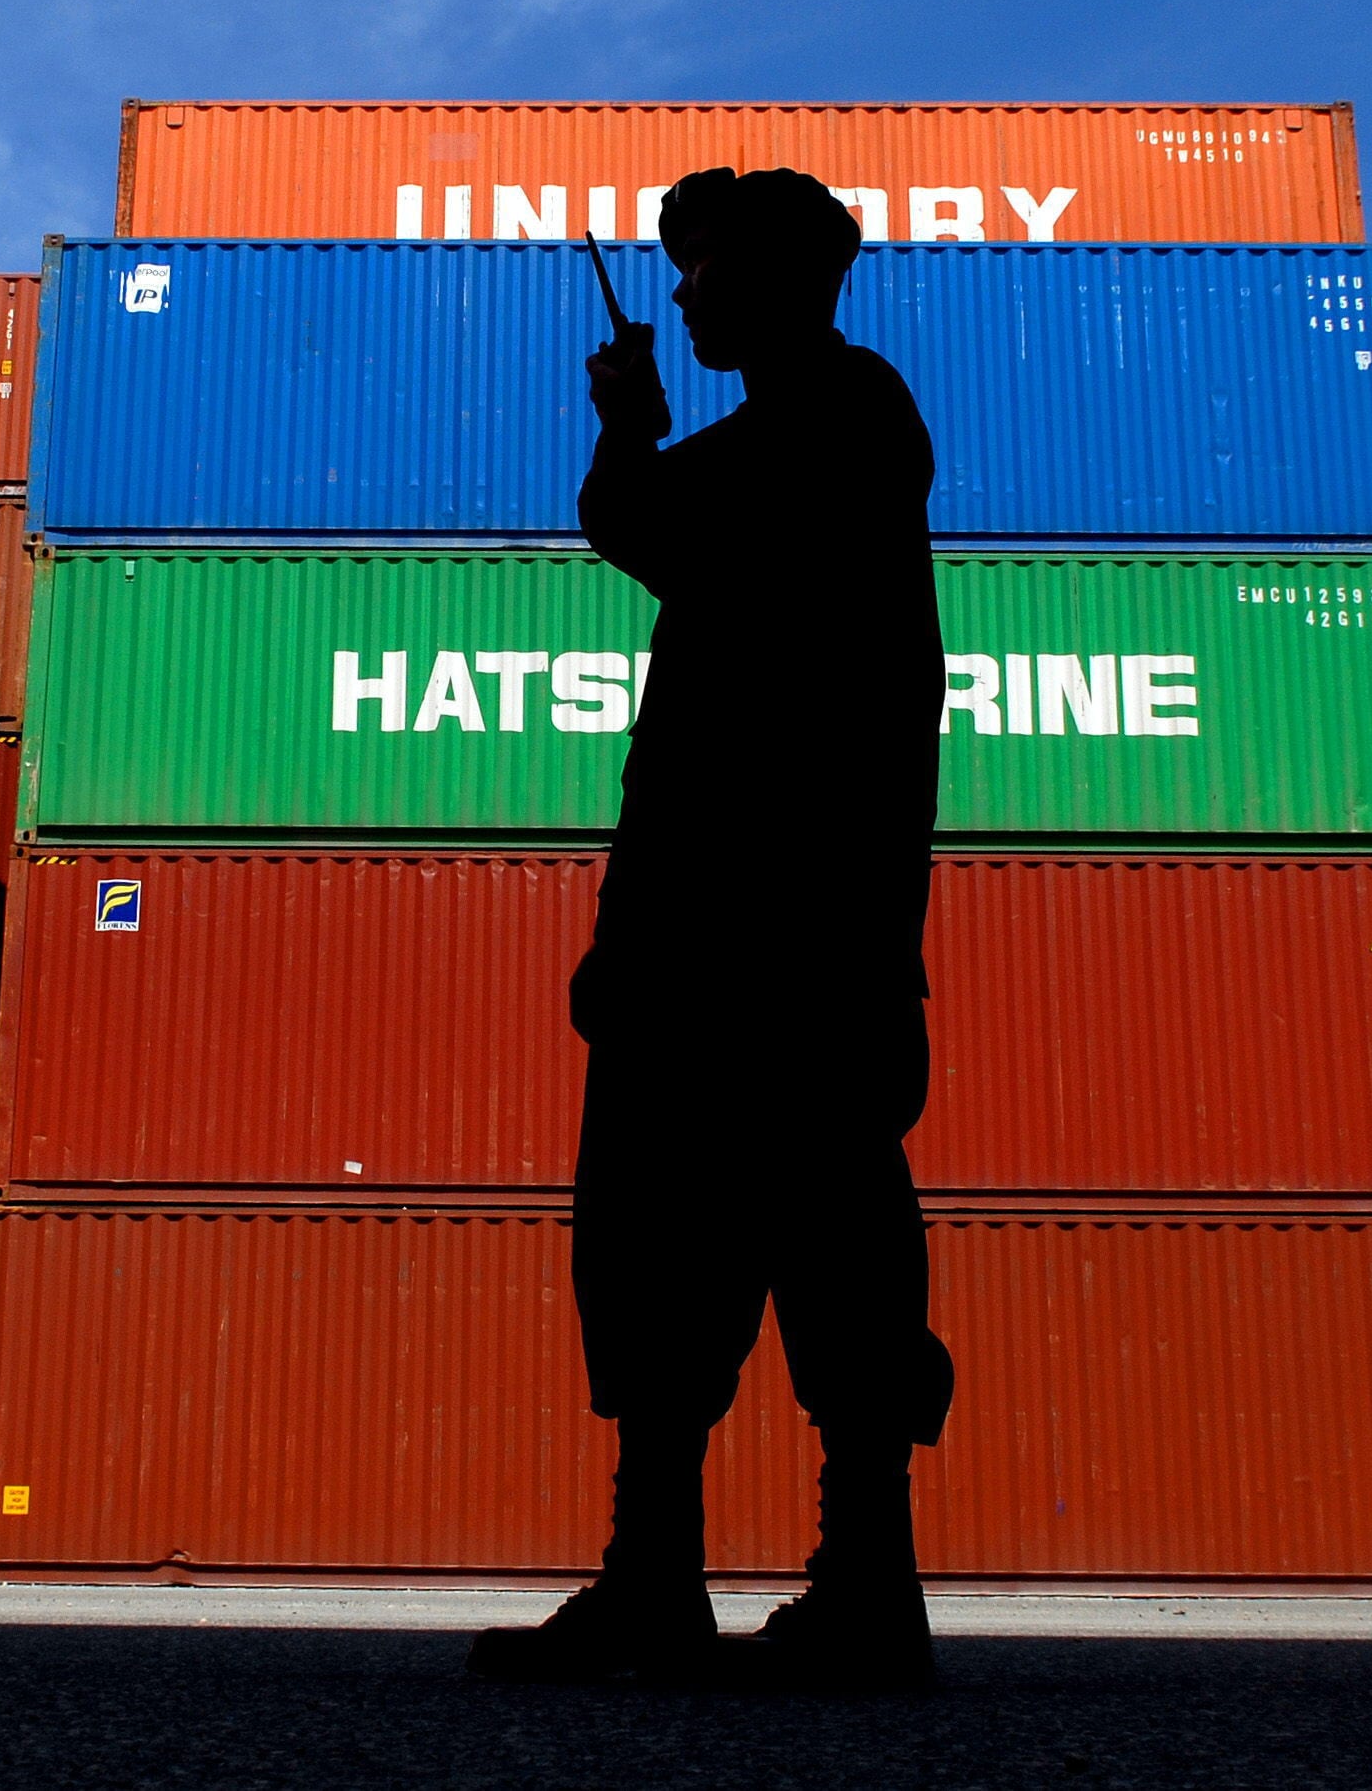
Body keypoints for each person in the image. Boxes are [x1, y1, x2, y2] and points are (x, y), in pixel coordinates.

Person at [468, 167, 952, 1692]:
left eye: (705, 271)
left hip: (758, 926)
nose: (679, 296)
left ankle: (805, 1585)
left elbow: (655, 525)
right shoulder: (836, 425)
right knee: (727, 1237)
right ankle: (730, 1580)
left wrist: (628, 425)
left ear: (784, 275)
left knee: (766, 1233)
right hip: (779, 926)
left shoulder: (841, 422)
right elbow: (667, 522)